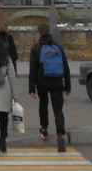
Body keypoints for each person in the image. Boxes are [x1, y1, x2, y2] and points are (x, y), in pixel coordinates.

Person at [28, 22, 71, 152]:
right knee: (58, 109)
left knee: (43, 105)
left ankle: (45, 130)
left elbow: (33, 70)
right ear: (50, 33)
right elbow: (66, 68)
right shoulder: (58, 47)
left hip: (42, 82)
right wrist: (67, 86)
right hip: (57, 81)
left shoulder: (36, 48)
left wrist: (32, 88)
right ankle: (60, 134)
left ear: (38, 34)